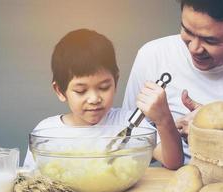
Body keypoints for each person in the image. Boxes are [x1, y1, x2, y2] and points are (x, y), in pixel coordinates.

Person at [122, 0, 223, 163]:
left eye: (210, 41)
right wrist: (166, 126)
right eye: (187, 31)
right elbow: (127, 139)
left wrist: (216, 130)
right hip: (171, 178)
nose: (194, 48)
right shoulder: (152, 56)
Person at [23, 29, 183, 170]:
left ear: (116, 82)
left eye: (104, 87)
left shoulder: (129, 123)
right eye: (81, 90)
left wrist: (163, 119)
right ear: (60, 90)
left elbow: (173, 162)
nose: (94, 99)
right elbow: (30, 181)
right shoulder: (47, 133)